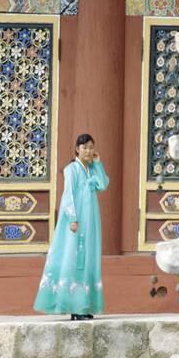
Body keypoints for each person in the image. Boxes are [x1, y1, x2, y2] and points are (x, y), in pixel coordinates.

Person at [33, 133, 109, 320]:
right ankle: (75, 307)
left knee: (88, 258)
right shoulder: (71, 169)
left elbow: (103, 185)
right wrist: (73, 218)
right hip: (76, 221)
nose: (88, 151)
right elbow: (68, 195)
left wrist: (98, 164)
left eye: (91, 147)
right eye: (84, 147)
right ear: (77, 149)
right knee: (75, 259)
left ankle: (84, 306)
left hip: (91, 221)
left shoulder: (91, 169)